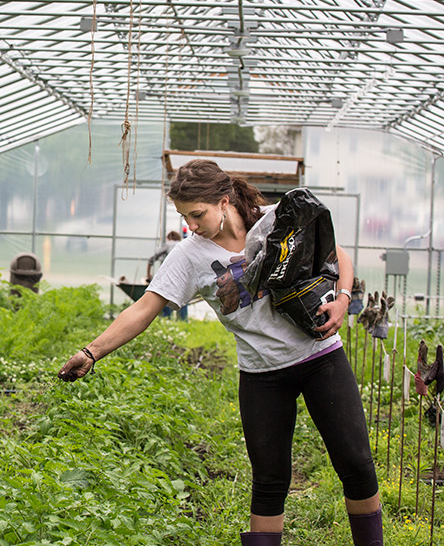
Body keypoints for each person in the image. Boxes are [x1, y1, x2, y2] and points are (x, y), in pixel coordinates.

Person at [58, 159, 382, 546]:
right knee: (269, 480)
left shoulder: (279, 219)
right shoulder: (188, 256)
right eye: (183, 217)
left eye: (197, 215)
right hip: (262, 374)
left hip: (320, 357)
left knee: (356, 465)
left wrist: (344, 299)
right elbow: (143, 309)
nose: (191, 226)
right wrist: (91, 353)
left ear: (224, 202)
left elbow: (337, 255)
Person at [146, 230, 188, 320]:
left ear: (169, 238)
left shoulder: (168, 245)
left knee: (166, 297)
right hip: (184, 277)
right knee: (184, 298)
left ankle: (166, 319)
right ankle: (183, 320)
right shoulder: (184, 244)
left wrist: (148, 274)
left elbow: (152, 259)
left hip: (170, 276)